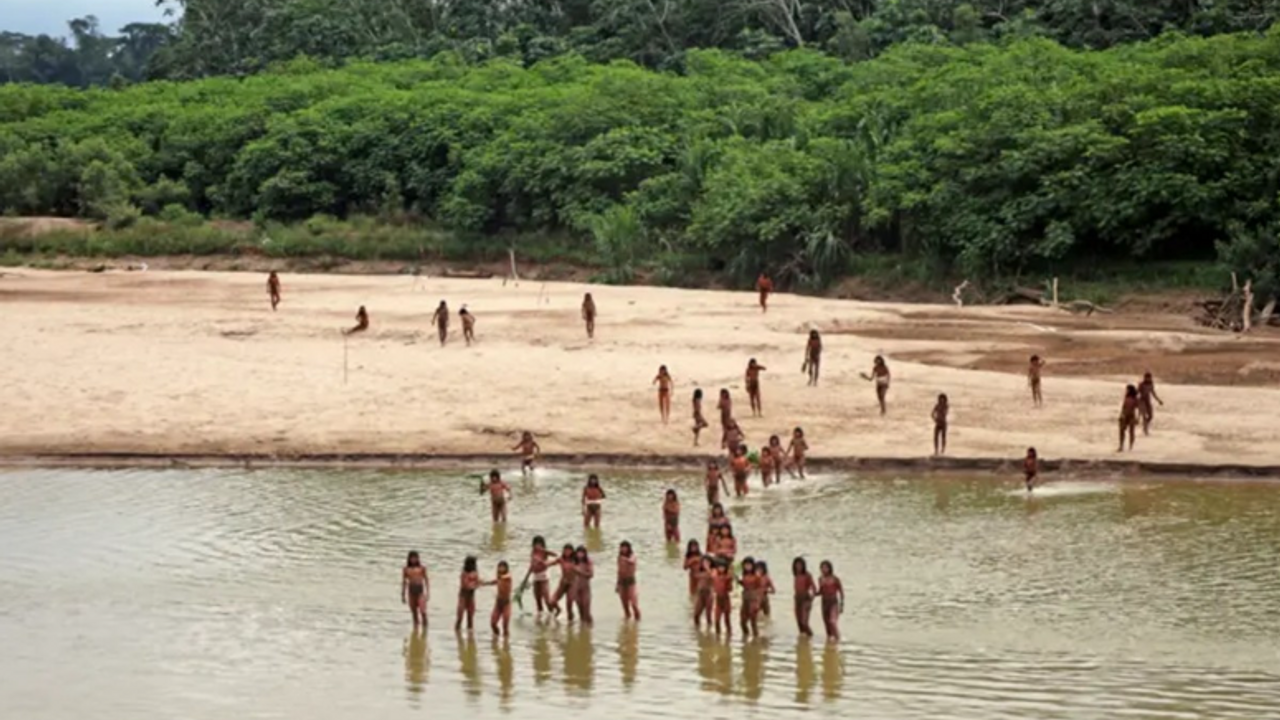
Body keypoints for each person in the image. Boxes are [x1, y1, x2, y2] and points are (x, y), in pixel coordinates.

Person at [521, 536, 555, 616]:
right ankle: (540, 617)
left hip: (544, 577)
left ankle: (553, 614)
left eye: (539, 544)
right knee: (538, 599)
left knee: (547, 599)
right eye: (536, 544)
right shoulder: (533, 552)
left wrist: (543, 550)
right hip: (536, 577)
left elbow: (555, 555)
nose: (537, 546)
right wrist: (525, 578)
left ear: (542, 545)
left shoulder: (544, 552)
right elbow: (531, 566)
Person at [482, 561, 513, 636]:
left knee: (505, 625)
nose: (501, 568)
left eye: (503, 567)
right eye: (499, 567)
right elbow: (494, 582)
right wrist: (484, 583)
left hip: (506, 604)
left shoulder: (508, 577)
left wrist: (501, 577)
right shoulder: (499, 578)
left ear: (506, 568)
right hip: (498, 603)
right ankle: (496, 637)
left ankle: (506, 643)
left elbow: (508, 576)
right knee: (493, 623)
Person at [818, 561, 844, 642]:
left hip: (833, 602)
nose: (824, 569)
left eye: (826, 567)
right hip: (824, 602)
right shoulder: (820, 579)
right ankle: (830, 643)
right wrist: (812, 594)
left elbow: (841, 592)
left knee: (832, 621)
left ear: (830, 568)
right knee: (826, 624)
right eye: (822, 568)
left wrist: (842, 605)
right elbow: (821, 591)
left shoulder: (835, 579)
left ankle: (838, 639)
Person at [549, 544, 577, 621]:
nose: (567, 552)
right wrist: (543, 564)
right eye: (565, 550)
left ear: (572, 551)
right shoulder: (561, 559)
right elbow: (550, 563)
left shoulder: (576, 560)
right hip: (563, 583)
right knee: (552, 601)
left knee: (569, 603)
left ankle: (570, 622)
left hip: (572, 583)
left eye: (569, 550)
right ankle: (558, 609)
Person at [402, 551, 429, 628]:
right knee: (414, 612)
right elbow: (404, 582)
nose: (413, 560)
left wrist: (428, 592)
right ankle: (416, 629)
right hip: (411, 591)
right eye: (412, 558)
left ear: (418, 559)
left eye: (415, 558)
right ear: (409, 559)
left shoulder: (422, 568)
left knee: (423, 611)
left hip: (420, 591)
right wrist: (403, 594)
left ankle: (425, 628)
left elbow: (426, 580)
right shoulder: (406, 569)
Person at [792, 557, 817, 637]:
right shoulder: (796, 575)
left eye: (800, 565)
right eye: (797, 565)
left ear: (803, 566)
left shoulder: (807, 575)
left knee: (804, 622)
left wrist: (812, 598)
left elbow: (814, 587)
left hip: (805, 599)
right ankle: (803, 640)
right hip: (797, 599)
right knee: (799, 621)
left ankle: (811, 636)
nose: (798, 567)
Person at [616, 541, 641, 621]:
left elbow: (632, 561)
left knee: (634, 603)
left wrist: (624, 559)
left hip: (630, 582)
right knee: (625, 604)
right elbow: (619, 571)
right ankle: (627, 621)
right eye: (622, 547)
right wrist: (617, 583)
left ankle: (638, 621)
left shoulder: (632, 556)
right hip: (622, 582)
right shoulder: (619, 557)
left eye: (625, 547)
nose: (623, 549)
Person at [455, 556, 480, 631]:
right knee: (460, 617)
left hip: (471, 597)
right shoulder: (464, 573)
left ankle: (470, 636)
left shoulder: (475, 573)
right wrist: (476, 585)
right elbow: (465, 585)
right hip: (463, 597)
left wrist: (477, 584)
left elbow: (477, 582)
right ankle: (457, 633)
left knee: (470, 617)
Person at [739, 557, 761, 638]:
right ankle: (745, 636)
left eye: (749, 565)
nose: (747, 567)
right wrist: (738, 581)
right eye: (746, 565)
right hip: (745, 599)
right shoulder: (744, 575)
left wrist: (758, 602)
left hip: (753, 599)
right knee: (742, 621)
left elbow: (759, 589)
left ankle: (756, 638)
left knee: (753, 621)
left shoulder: (756, 576)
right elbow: (744, 585)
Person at [572, 546, 595, 625]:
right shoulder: (573, 562)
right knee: (580, 610)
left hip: (585, 588)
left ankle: (589, 629)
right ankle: (583, 629)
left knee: (586, 610)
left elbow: (591, 574)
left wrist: (580, 572)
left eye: (582, 553)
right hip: (576, 589)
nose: (580, 554)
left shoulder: (588, 562)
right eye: (578, 552)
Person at [712, 559, 734, 635]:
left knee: (727, 620)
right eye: (720, 567)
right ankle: (718, 636)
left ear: (725, 569)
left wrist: (729, 578)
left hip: (726, 600)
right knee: (717, 620)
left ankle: (729, 635)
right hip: (718, 601)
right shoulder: (715, 576)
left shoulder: (727, 577)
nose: (721, 569)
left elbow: (730, 589)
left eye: (723, 567)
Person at [693, 555, 714, 630]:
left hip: (708, 594)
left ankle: (709, 631)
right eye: (704, 562)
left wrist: (707, 568)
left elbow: (712, 577)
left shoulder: (713, 571)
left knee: (708, 615)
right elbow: (695, 576)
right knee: (696, 615)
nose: (706, 563)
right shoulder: (699, 571)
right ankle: (697, 631)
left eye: (708, 562)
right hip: (700, 594)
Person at [1119, 384, 1140, 452]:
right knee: (1122, 431)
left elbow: (1138, 408)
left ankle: (1130, 447)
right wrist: (1121, 415)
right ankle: (1121, 446)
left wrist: (1138, 418)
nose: (1126, 390)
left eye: (1127, 389)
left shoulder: (1135, 398)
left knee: (1131, 432)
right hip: (1125, 415)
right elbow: (1123, 407)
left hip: (1131, 416)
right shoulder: (1126, 397)